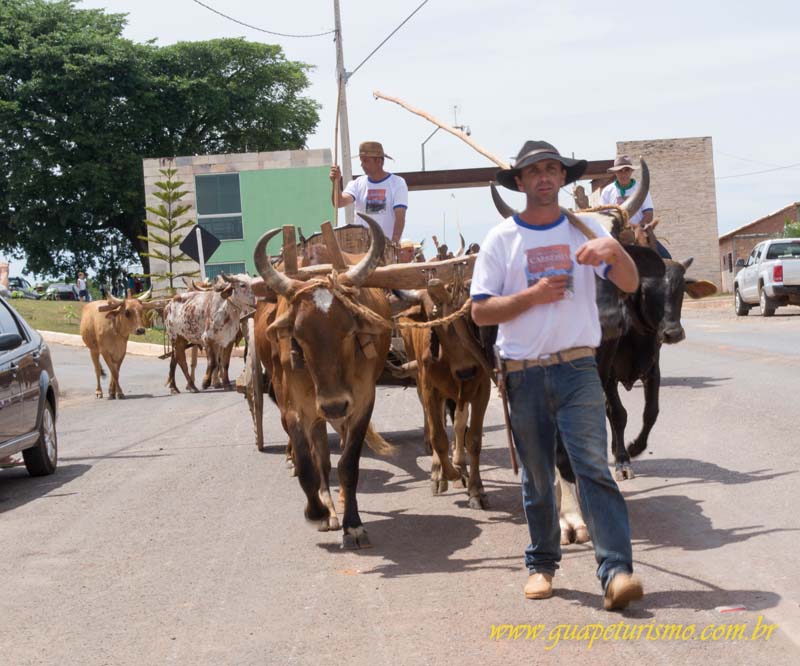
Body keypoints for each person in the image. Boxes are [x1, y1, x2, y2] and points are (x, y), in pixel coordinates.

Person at [470, 140, 644, 611]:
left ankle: (617, 572)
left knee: (593, 469)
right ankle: (542, 565)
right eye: (534, 171)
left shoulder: (585, 231)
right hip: (523, 374)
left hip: (578, 369)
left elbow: (628, 284)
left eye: (553, 169)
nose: (545, 177)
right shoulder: (501, 239)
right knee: (537, 477)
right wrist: (534, 295)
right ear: (520, 182)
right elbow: (482, 312)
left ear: (563, 179)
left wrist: (617, 253)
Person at [329, 141, 408, 246]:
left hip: (385, 246)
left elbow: (400, 216)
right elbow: (339, 203)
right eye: (361, 161)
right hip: (360, 247)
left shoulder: (397, 183)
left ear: (379, 162)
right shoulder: (357, 183)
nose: (362, 165)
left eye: (366, 161)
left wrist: (394, 243)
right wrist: (336, 183)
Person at [599, 155, 653, 247]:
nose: (623, 174)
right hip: (615, 235)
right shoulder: (607, 191)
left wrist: (637, 229)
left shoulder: (641, 189)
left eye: (627, 170)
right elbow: (603, 218)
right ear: (615, 172)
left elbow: (649, 214)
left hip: (638, 233)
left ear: (631, 171)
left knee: (664, 255)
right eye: (620, 171)